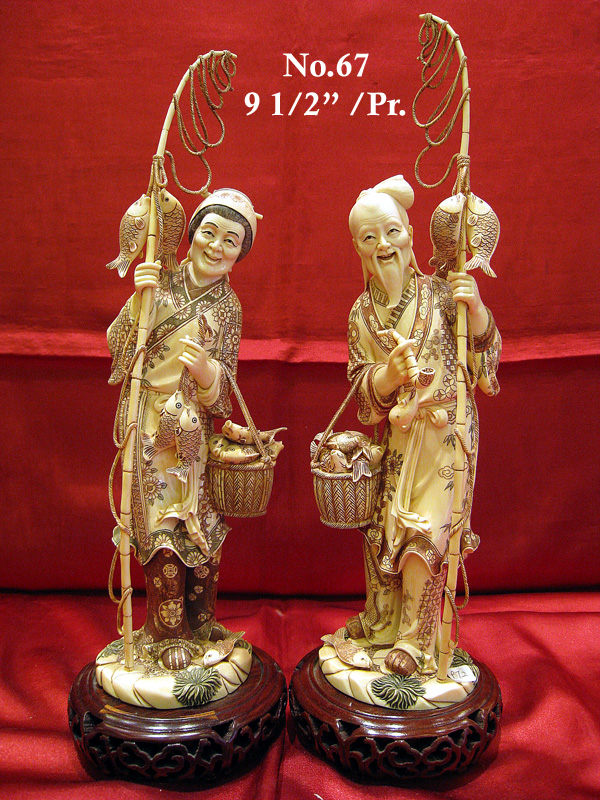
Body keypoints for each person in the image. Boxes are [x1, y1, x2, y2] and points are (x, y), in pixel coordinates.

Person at [345, 175, 501, 677]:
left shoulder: (443, 294)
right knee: (383, 535)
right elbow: (362, 399)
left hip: (445, 438)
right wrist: (387, 377)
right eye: (369, 237)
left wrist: (476, 309)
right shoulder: (361, 315)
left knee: (426, 536)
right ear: (357, 248)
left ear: (411, 234)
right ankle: (383, 624)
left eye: (392, 232)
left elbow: (485, 363)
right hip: (397, 441)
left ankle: (415, 640)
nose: (383, 245)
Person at [108, 188, 258, 670]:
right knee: (161, 525)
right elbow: (118, 346)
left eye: (231, 240)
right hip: (152, 426)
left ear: (239, 254)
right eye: (209, 233)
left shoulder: (229, 307)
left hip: (195, 433)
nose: (216, 246)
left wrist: (209, 374)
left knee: (202, 529)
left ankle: (199, 622)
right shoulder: (160, 282)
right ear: (191, 234)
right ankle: (165, 629)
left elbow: (226, 394)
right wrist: (139, 300)